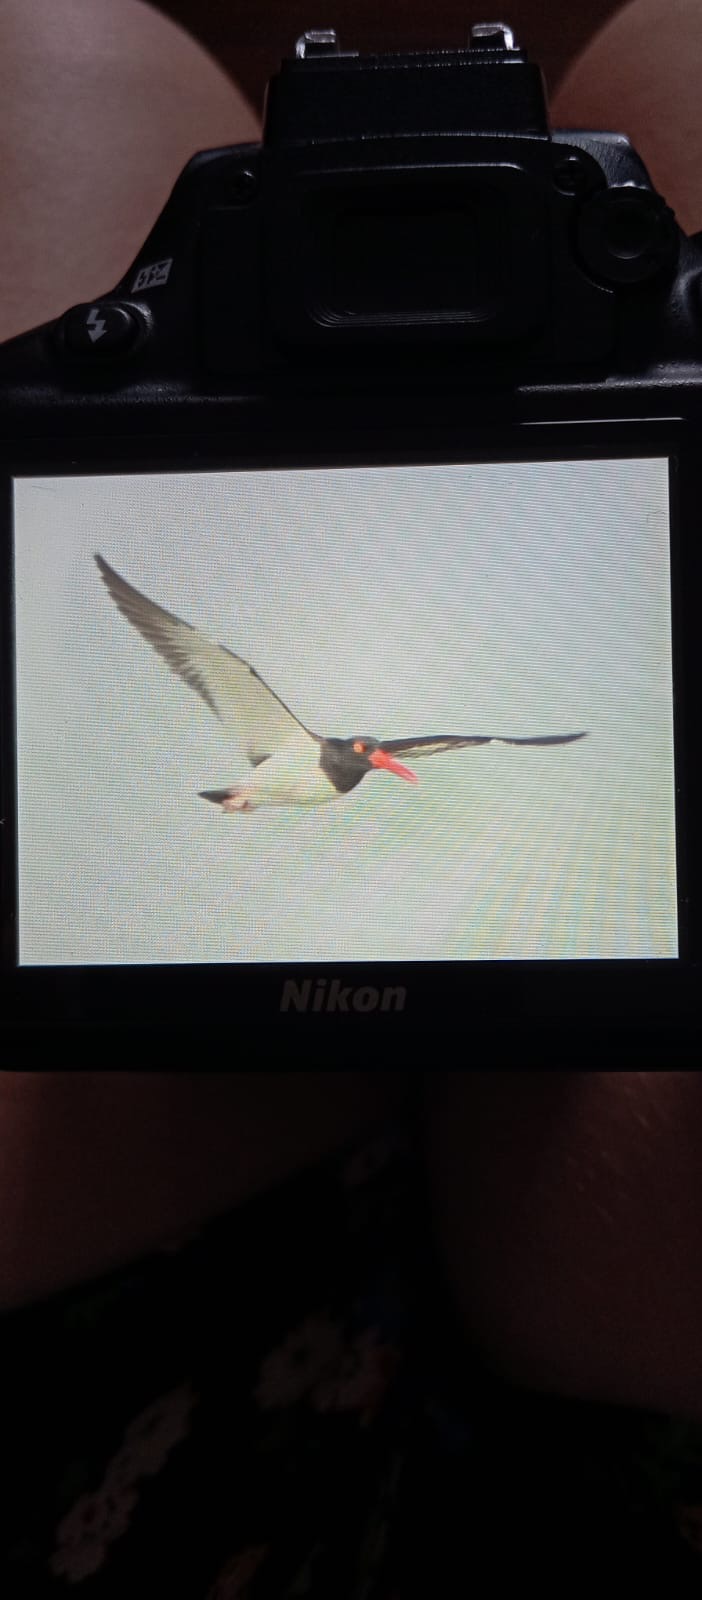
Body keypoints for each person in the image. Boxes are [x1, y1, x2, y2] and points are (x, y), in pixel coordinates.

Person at [1, 2, 702, 1592]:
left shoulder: (371, 756)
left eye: (383, 759)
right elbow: (184, 637)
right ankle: (408, 1101)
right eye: (382, 755)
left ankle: (368, 1094)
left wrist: (444, 757)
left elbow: (427, 749)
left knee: (53, 51)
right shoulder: (279, 725)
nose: (387, 763)